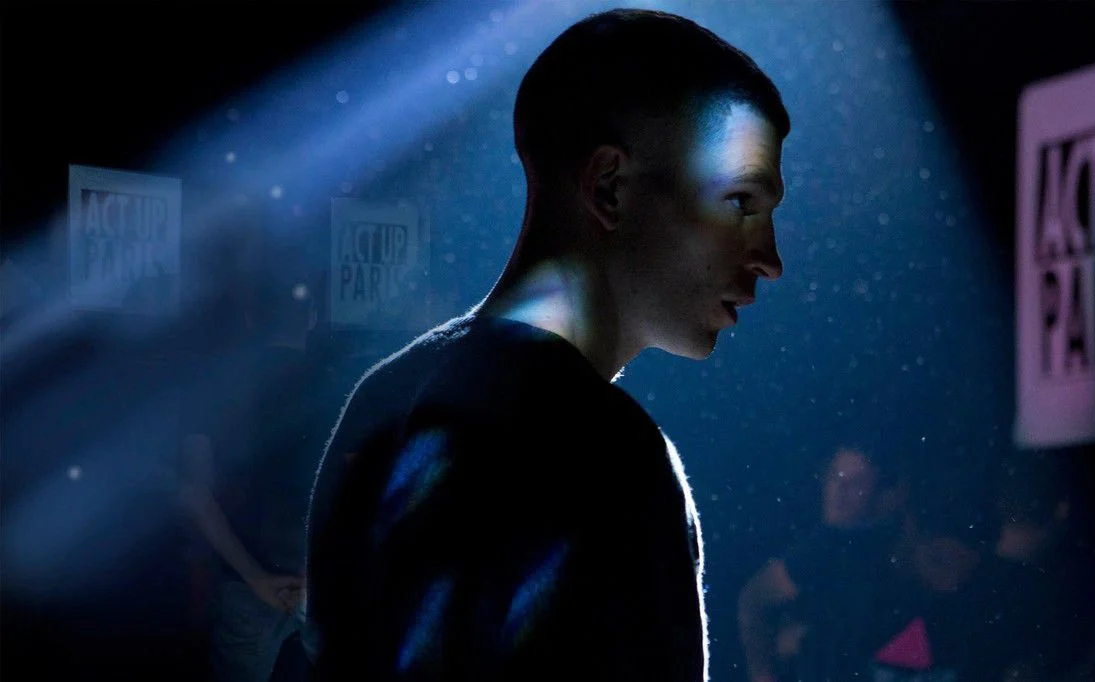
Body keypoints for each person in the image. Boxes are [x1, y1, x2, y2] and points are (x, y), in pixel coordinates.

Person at [306, 8, 788, 681]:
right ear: (610, 188)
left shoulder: (384, 396)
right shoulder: (607, 454)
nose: (770, 259)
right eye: (740, 203)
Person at [180, 269, 331, 682]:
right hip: (316, 584)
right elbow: (355, 489)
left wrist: (255, 577)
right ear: (314, 315)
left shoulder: (218, 394)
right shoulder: (336, 386)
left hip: (251, 583)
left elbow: (196, 495)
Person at [737, 446, 908, 682]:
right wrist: (763, 674)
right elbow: (754, 599)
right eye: (834, 477)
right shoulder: (820, 548)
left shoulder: (901, 549)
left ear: (888, 495)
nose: (839, 491)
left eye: (856, 483)